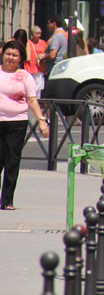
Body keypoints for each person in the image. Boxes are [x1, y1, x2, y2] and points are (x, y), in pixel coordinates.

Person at [1, 39, 50, 210]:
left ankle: (7, 200)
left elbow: (32, 100)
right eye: (8, 54)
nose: (10, 58)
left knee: (12, 161)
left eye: (15, 55)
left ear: (20, 58)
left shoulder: (25, 77)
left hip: (17, 123)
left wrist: (42, 121)